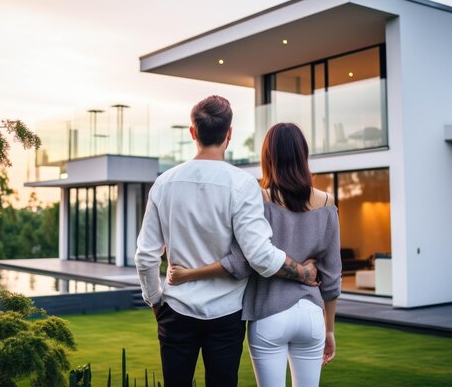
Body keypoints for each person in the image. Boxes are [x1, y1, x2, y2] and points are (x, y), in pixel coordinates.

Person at [134, 96, 319, 387]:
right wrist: (303, 272)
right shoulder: (242, 184)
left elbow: (145, 256)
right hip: (226, 313)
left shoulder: (164, 183)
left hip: (176, 310)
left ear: (193, 133)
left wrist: (155, 301)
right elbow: (259, 255)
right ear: (229, 134)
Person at [168, 122, 342, 387]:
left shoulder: (257, 199)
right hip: (311, 315)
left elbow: (239, 263)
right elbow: (332, 277)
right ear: (302, 154)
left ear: (267, 157)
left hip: (268, 313)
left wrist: (188, 274)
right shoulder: (328, 204)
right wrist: (329, 328)